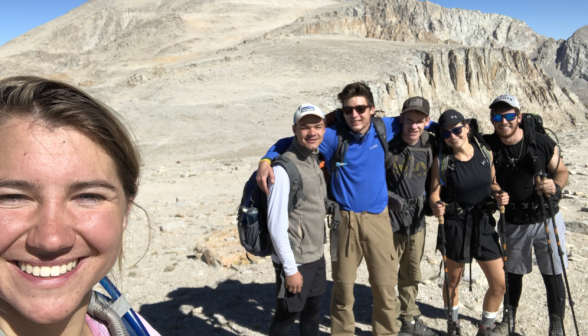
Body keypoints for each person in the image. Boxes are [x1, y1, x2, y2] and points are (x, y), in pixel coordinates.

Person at [0, 76, 160, 336]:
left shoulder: (136, 328)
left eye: (88, 197)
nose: (51, 239)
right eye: (11, 197)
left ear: (125, 211)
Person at [258, 82, 419, 336]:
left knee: (386, 289)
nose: (355, 115)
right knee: (343, 291)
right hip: (344, 221)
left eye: (360, 108)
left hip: (379, 219)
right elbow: (291, 141)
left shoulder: (384, 128)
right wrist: (266, 159)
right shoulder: (333, 138)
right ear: (342, 112)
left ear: (372, 110)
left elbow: (421, 124)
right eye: (348, 110)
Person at [483, 95, 570, 336]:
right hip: (513, 220)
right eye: (498, 117)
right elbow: (488, 180)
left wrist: (555, 186)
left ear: (519, 117)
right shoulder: (490, 147)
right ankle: (509, 321)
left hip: (547, 218)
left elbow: (562, 171)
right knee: (513, 273)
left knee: (552, 272)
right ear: (492, 120)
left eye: (510, 115)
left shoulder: (540, 141)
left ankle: (556, 325)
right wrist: (497, 192)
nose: (504, 121)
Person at [429, 109, 508, 336]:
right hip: (455, 224)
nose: (453, 136)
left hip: (483, 223)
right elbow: (434, 193)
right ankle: (453, 325)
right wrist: (436, 205)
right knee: (452, 281)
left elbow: (492, 183)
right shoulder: (442, 161)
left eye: (456, 130)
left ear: (466, 128)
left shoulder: (485, 152)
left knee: (499, 283)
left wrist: (499, 193)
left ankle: (485, 326)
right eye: (446, 134)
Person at [267, 104, 328, 336]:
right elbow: (276, 226)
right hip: (296, 259)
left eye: (317, 126)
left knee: (312, 314)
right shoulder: (284, 170)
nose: (312, 132)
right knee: (286, 317)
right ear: (294, 129)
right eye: (305, 127)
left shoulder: (314, 158)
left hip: (315, 254)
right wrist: (290, 269)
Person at [387, 97, 438, 336]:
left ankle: (408, 318)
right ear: (401, 120)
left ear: (427, 122)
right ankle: (390, 322)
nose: (414, 126)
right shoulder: (387, 144)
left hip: (417, 220)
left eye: (419, 121)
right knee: (385, 274)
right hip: (388, 220)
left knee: (411, 271)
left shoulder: (430, 144)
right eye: (409, 121)